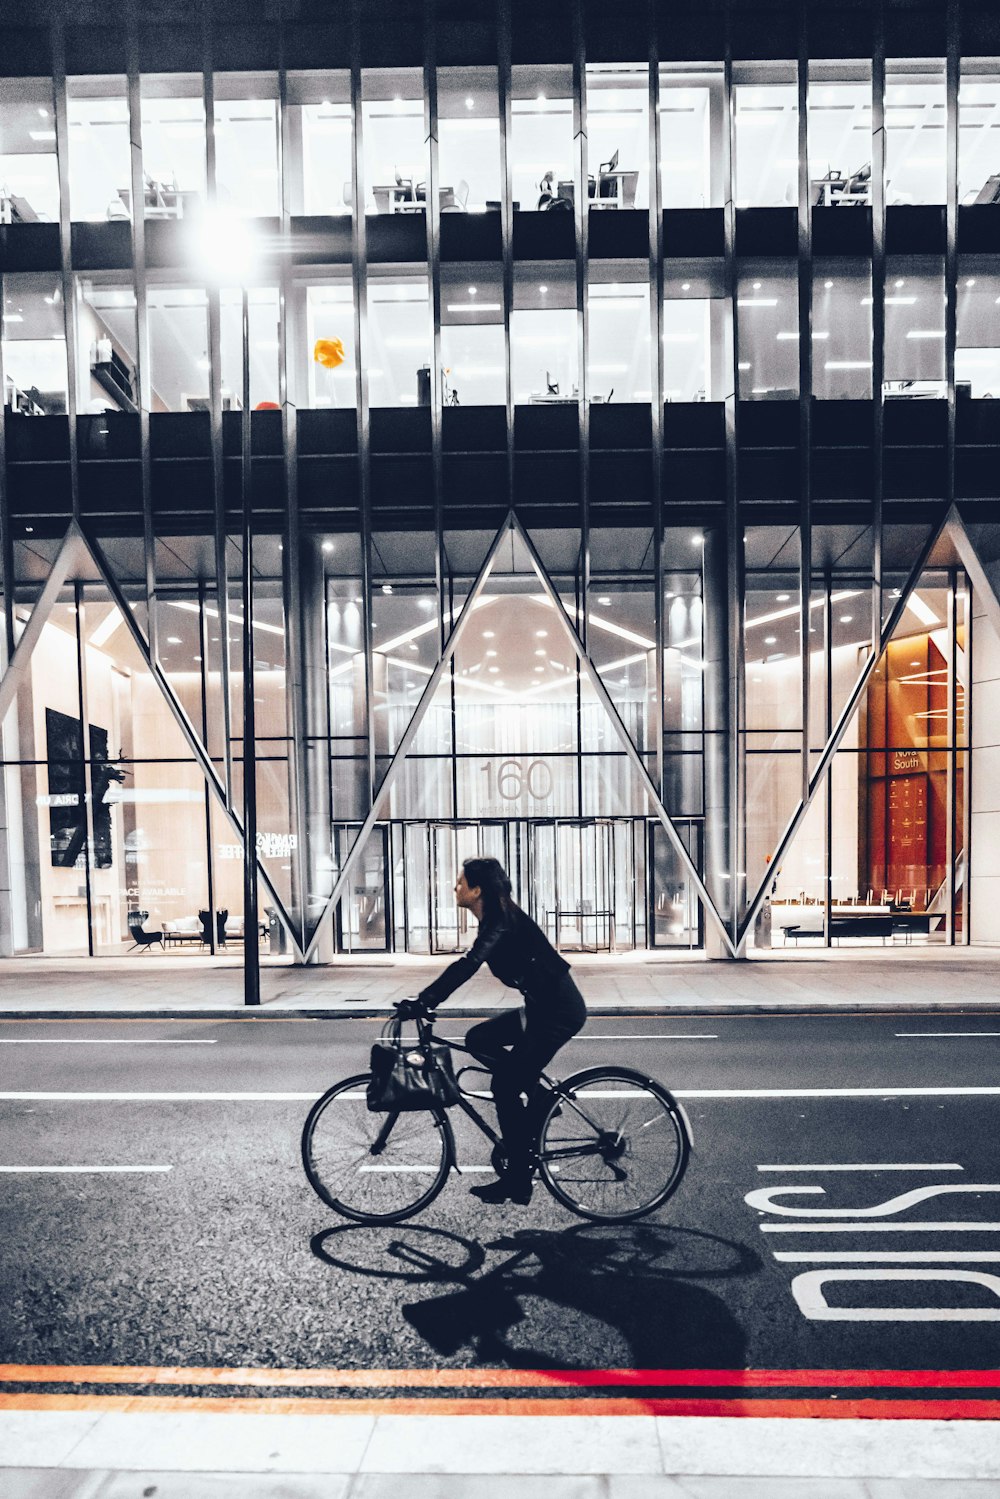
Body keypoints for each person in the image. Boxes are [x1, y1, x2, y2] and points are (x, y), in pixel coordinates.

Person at [401, 856, 586, 1205]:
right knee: (479, 1039)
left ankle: (518, 1179)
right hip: (539, 1009)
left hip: (557, 1012)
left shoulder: (500, 922)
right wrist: (428, 999)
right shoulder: (493, 920)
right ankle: (540, 1094)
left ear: (477, 889)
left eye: (460, 882)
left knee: (504, 1085)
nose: (455, 887)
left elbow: (469, 964)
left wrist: (426, 1000)